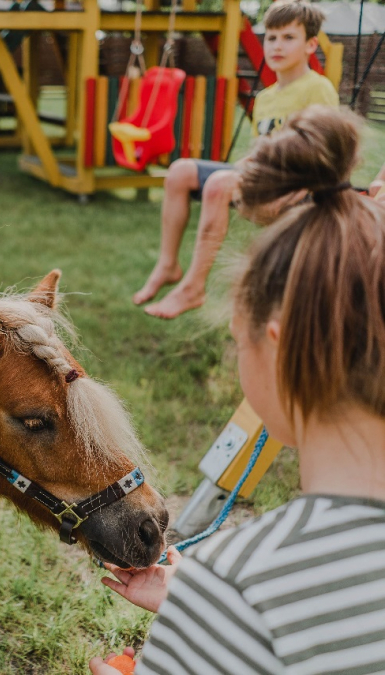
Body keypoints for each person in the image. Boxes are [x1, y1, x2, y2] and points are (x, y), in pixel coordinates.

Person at [91, 106, 385, 674]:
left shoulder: (237, 580)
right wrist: (206, 605)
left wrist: (214, 607)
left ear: (279, 345)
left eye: (237, 337)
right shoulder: (233, 590)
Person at [132, 0, 339, 320]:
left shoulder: (318, 89)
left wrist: (308, 188)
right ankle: (168, 264)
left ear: (311, 44)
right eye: (270, 38)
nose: (276, 46)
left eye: (288, 37)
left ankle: (193, 288)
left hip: (297, 186)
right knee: (179, 171)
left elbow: (328, 151)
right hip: (263, 175)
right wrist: (247, 165)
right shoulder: (266, 98)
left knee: (219, 183)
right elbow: (262, 149)